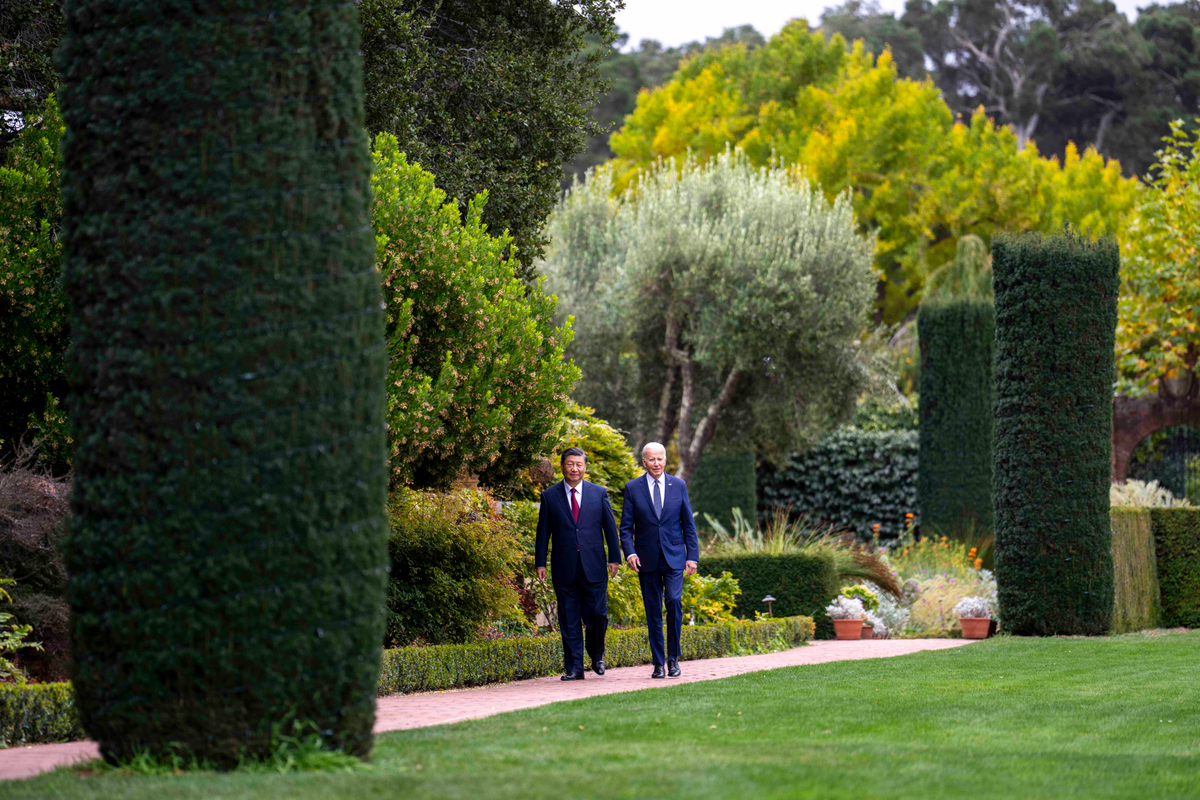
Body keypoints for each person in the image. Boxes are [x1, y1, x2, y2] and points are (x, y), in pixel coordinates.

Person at [535, 447, 621, 680]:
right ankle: (574, 668)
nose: (575, 468)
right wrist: (540, 562)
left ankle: (596, 655)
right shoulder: (549, 496)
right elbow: (543, 533)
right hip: (564, 566)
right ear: (562, 466)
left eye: (579, 464)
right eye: (570, 464)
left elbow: (610, 529)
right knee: (569, 618)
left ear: (584, 467)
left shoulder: (598, 493)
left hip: (594, 565)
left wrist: (615, 558)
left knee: (598, 615)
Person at [620, 442, 699, 678]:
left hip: (674, 557)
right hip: (647, 559)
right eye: (651, 459)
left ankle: (673, 659)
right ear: (644, 462)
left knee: (674, 601)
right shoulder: (633, 488)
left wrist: (692, 556)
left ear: (665, 460)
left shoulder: (679, 485)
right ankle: (658, 663)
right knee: (653, 611)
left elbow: (688, 525)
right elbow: (625, 528)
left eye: (660, 459)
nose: (656, 463)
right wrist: (630, 552)